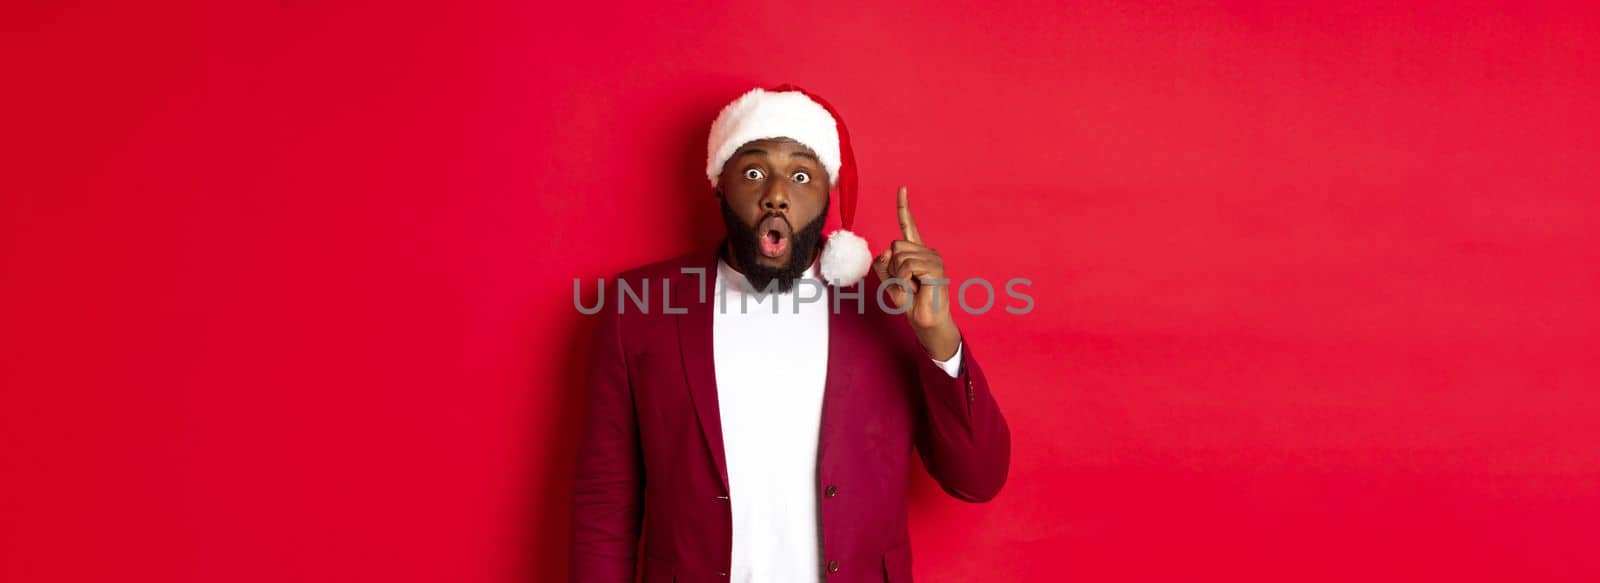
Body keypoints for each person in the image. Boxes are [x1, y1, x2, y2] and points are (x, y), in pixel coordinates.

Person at [569, 85, 1011, 582]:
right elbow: (606, 502)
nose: (776, 193)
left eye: (801, 175)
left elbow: (977, 478)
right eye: (754, 171)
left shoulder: (889, 301)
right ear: (719, 183)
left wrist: (938, 336)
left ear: (828, 192)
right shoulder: (641, 306)